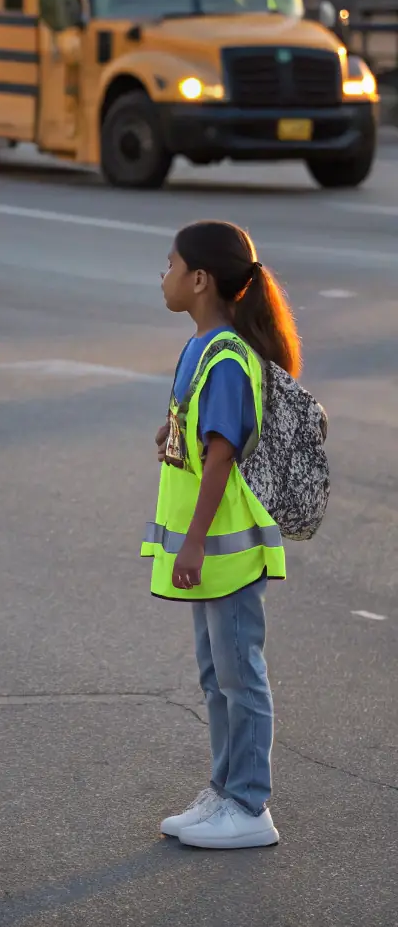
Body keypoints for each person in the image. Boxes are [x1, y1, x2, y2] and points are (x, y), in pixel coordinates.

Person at [143, 220, 301, 850]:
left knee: (242, 675)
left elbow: (221, 456)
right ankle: (224, 790)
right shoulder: (201, 347)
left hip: (226, 550)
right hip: (211, 551)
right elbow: (197, 422)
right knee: (216, 675)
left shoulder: (228, 355)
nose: (164, 276)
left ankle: (250, 805)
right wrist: (170, 425)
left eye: (171, 264)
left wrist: (191, 541)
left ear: (200, 280)